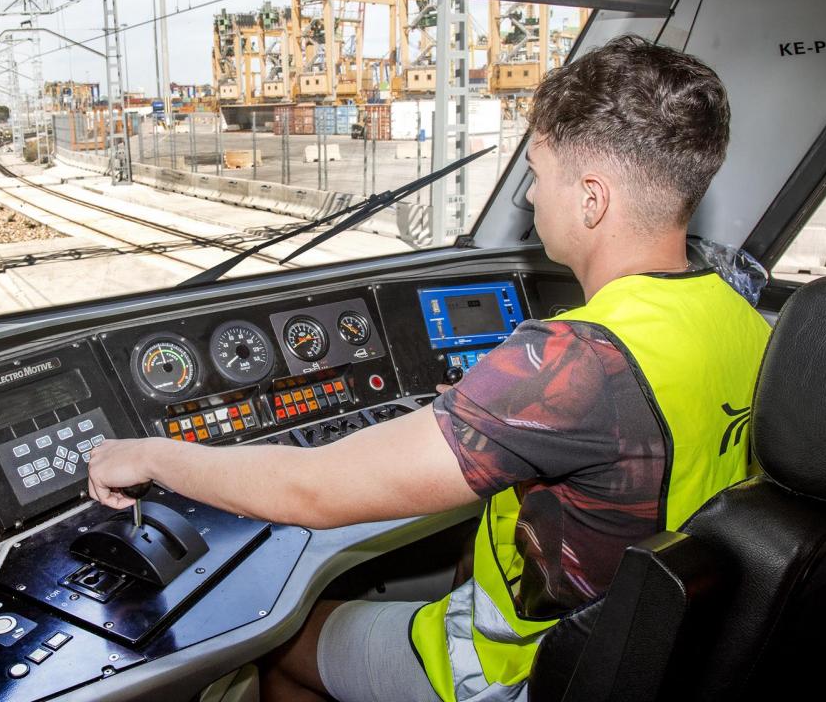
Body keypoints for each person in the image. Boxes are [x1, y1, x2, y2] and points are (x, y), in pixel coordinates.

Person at [88, 35, 771, 702]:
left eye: (537, 172)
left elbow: (313, 490)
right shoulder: (745, 320)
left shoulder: (575, 360)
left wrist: (153, 455)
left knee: (278, 638)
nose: (529, 199)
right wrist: (487, 412)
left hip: (520, 669)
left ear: (591, 198)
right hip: (649, 646)